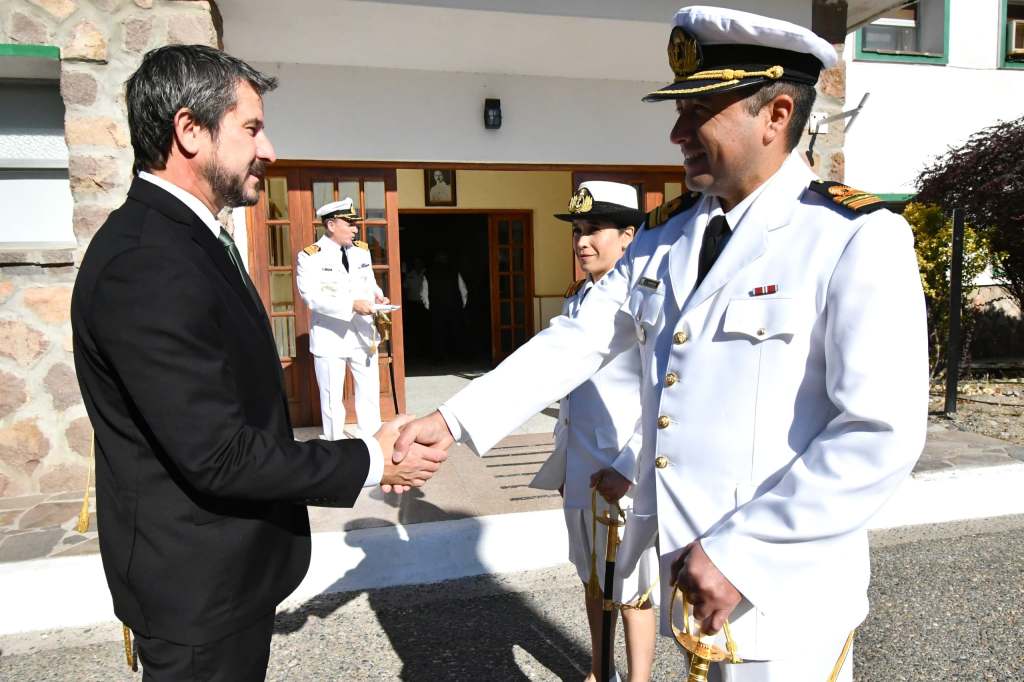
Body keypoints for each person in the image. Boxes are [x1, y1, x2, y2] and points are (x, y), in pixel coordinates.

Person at [395, 7, 928, 681]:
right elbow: (582, 336)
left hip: (780, 594)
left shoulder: (851, 238)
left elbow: (879, 433)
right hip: (688, 570)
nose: (677, 132)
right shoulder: (666, 234)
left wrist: (744, 553)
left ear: (776, 113)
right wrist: (453, 419)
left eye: (698, 108)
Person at [71, 44, 446, 681]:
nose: (268, 148)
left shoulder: (187, 238)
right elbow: (219, 454)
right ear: (189, 131)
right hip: (197, 591)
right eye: (250, 128)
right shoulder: (148, 262)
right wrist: (375, 456)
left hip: (223, 578)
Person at [529, 181, 657, 682]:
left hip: (623, 473)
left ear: (628, 236)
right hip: (583, 472)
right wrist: (564, 462)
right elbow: (572, 397)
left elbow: (659, 400)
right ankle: (600, 673)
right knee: (593, 583)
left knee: (632, 590)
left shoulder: (641, 302)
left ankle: (639, 679)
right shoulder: (580, 298)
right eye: (578, 231)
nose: (582, 241)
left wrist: (628, 467)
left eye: (594, 230)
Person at [297, 199, 388, 438]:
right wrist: (351, 305)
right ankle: (335, 444)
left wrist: (378, 297)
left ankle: (372, 440)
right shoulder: (310, 256)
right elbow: (312, 297)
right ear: (331, 225)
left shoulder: (361, 250)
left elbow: (368, 282)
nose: (355, 229)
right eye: (349, 223)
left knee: (368, 392)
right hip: (331, 337)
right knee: (331, 397)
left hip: (363, 332)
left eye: (355, 224)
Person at [421, 249, 468, 362]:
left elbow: (424, 293)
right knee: (457, 331)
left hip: (437, 307)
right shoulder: (455, 271)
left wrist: (428, 307)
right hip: (454, 306)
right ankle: (460, 356)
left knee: (438, 333)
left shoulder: (428, 273)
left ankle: (439, 358)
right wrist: (462, 305)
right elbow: (464, 290)